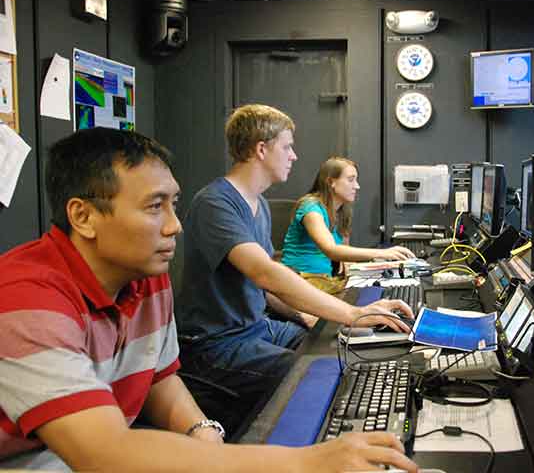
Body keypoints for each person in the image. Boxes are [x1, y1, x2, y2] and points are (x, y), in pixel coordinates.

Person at [0, 127, 417, 472]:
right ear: (83, 217)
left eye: (173, 204)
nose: (175, 226)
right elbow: (102, 453)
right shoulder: (25, 297)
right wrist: (305, 463)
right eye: (154, 207)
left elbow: (159, 378)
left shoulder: (144, 275)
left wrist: (202, 430)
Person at [175, 105, 414, 430]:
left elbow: (263, 287)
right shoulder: (215, 203)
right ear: (261, 149)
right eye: (287, 146)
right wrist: (353, 313)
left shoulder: (259, 205)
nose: (294, 156)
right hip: (216, 345)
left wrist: (313, 318)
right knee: (318, 372)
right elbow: (264, 273)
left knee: (336, 343)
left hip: (258, 328)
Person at [281, 156, 415, 291]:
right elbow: (331, 250)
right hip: (301, 280)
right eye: (351, 180)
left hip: (323, 279)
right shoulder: (310, 208)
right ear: (330, 182)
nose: (357, 186)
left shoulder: (341, 210)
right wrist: (382, 253)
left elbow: (345, 254)